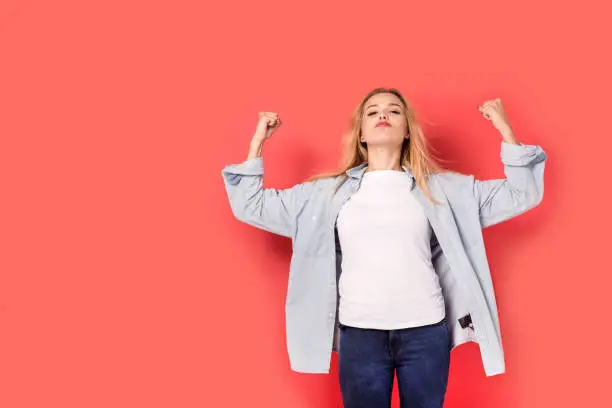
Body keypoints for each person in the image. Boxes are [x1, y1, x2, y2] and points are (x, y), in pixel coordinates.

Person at [221, 87, 547, 408]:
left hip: (425, 333)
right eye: (372, 111)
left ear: (406, 130)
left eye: (394, 110)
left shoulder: (445, 190)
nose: (383, 115)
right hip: (360, 335)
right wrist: (257, 143)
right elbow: (250, 205)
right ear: (361, 133)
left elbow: (522, 194)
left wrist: (505, 130)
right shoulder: (322, 195)